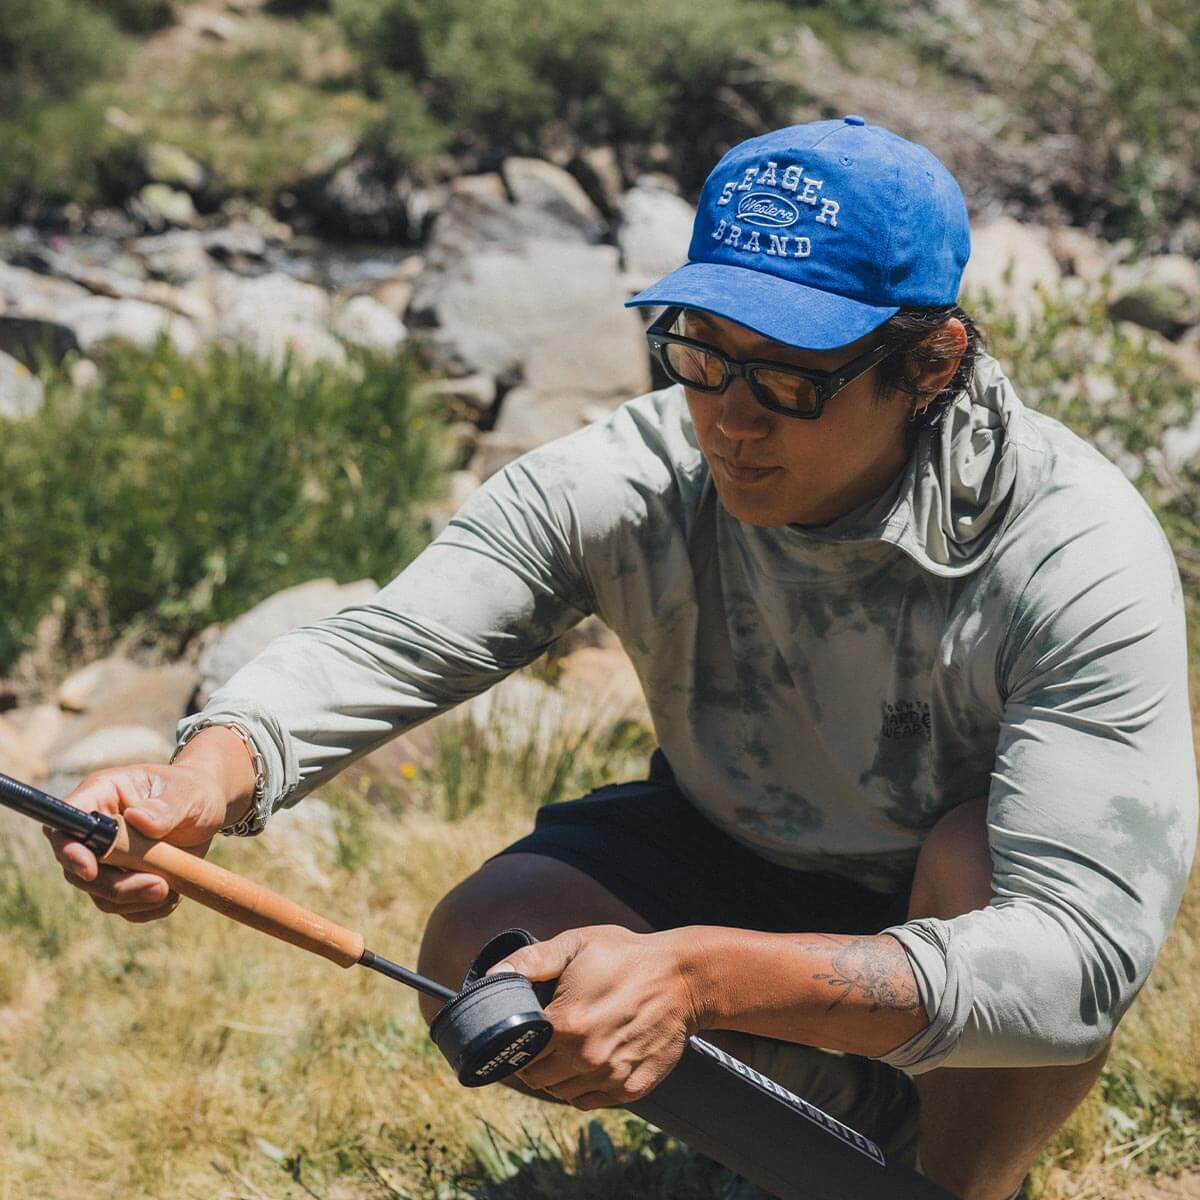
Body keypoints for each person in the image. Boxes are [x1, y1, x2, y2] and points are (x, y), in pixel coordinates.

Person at [45, 117, 1197, 1200]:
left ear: (932, 363)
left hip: (953, 907)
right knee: (485, 952)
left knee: (980, 857)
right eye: (702, 353)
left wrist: (703, 979)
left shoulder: (1074, 551)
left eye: (794, 378)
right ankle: (861, 1138)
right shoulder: (627, 480)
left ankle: (954, 1180)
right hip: (733, 843)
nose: (732, 419)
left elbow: (1076, 962)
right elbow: (390, 643)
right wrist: (201, 781)